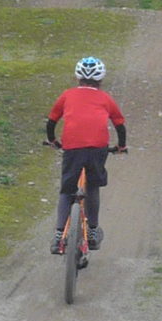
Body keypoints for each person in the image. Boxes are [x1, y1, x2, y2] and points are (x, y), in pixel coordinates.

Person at [45, 56, 127, 254]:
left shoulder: (67, 95)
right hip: (97, 149)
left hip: (72, 148)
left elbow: (51, 122)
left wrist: (53, 141)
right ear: (101, 79)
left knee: (67, 189)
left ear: (77, 76)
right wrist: (121, 146)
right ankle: (92, 232)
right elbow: (119, 125)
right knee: (93, 187)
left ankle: (58, 237)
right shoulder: (106, 98)